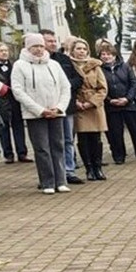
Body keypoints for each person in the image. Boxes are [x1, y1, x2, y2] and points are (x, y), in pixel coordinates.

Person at [11, 34, 72, 194]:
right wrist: (39, 110)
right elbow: (18, 91)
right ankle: (47, 182)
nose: (38, 49)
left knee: (58, 146)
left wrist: (59, 107)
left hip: (56, 112)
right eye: (35, 47)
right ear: (28, 48)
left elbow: (65, 87)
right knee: (42, 148)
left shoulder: (54, 64)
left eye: (41, 46)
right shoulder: (20, 65)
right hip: (35, 115)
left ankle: (61, 180)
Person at [98, 40, 136, 163]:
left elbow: (134, 84)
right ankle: (119, 156)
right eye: (103, 54)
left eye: (109, 54)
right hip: (111, 105)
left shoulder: (125, 67)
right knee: (115, 132)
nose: (106, 57)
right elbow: (99, 87)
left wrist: (127, 98)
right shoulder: (99, 69)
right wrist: (110, 100)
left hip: (128, 103)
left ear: (114, 55)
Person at [43, 30, 84, 183]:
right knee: (48, 143)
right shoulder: (32, 63)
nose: (53, 43)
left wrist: (65, 86)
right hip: (46, 108)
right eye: (49, 41)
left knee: (67, 140)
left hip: (66, 107)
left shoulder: (64, 59)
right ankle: (51, 174)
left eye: (54, 41)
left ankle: (69, 171)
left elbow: (78, 79)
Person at [66, 37, 109, 182]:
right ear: (72, 50)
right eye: (78, 49)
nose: (82, 51)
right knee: (83, 138)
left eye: (84, 49)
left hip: (94, 106)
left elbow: (103, 88)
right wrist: (76, 102)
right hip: (78, 104)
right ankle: (89, 168)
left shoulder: (95, 66)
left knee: (96, 138)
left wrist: (92, 102)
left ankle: (98, 168)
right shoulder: (69, 66)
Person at [0, 42, 29, 164]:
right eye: (1, 51)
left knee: (18, 126)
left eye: (6, 50)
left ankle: (22, 153)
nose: (4, 53)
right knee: (3, 128)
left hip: (15, 100)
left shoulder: (15, 64)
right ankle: (8, 154)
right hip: (0, 101)